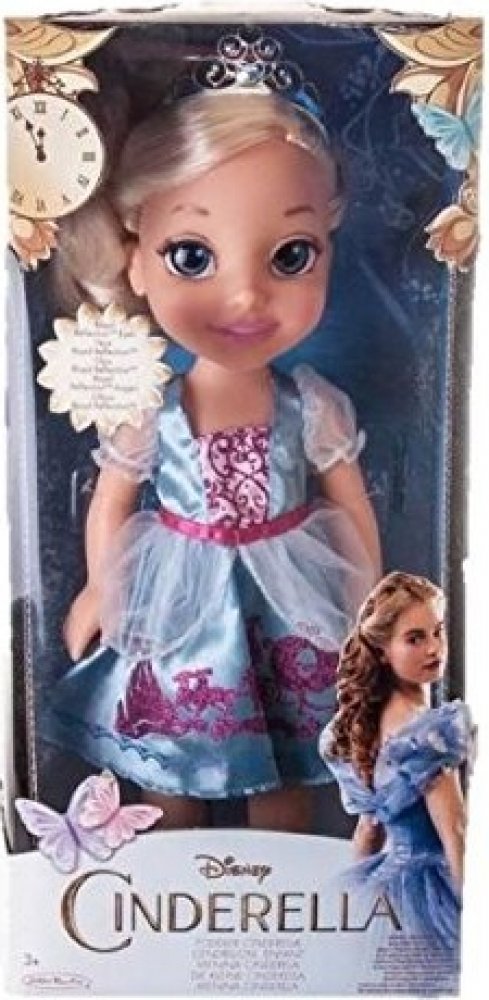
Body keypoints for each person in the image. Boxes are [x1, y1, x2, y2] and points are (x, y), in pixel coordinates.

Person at [43, 33, 381, 831]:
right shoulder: (149, 406)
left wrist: (372, 601)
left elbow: (350, 504)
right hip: (178, 594)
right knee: (170, 766)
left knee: (289, 768)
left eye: (290, 255)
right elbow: (111, 501)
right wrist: (103, 587)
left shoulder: (310, 404)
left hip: (289, 589)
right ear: (136, 260)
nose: (244, 298)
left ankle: (293, 884)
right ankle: (168, 883)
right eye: (191, 256)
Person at [320, 571, 474, 952]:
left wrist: (349, 907)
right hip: (430, 889)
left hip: (385, 888)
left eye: (438, 632)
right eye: (415, 639)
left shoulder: (365, 725)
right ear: (382, 651)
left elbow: (368, 832)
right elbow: (454, 832)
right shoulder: (428, 732)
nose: (434, 649)